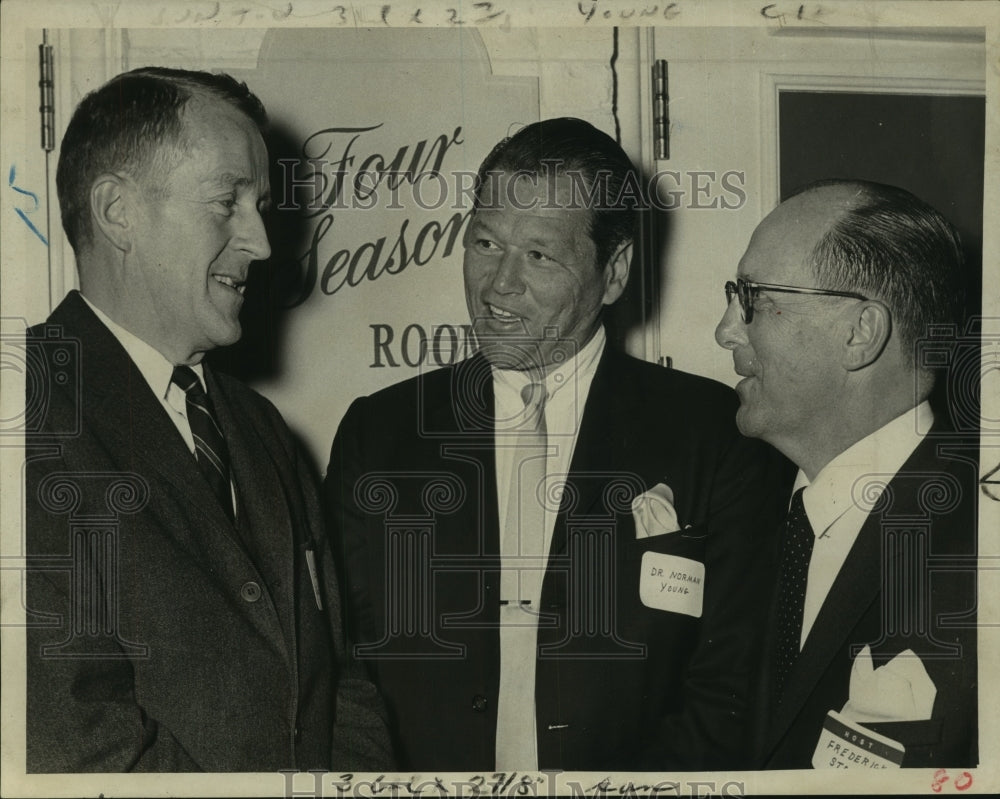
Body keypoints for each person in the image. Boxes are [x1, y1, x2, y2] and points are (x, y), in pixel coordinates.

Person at [325, 117, 787, 771]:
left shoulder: (716, 434)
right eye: (485, 242)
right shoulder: (381, 433)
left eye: (538, 255)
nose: (498, 284)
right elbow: (348, 671)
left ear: (615, 270)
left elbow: (732, 689)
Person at [24, 67, 392, 772]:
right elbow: (80, 746)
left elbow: (344, 683)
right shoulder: (24, 417)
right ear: (117, 211)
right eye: (228, 202)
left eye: (259, 205)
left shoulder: (258, 427)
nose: (261, 242)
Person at [715, 179, 978, 768]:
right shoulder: (752, 513)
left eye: (752, 298)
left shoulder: (977, 549)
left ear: (860, 333)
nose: (726, 330)